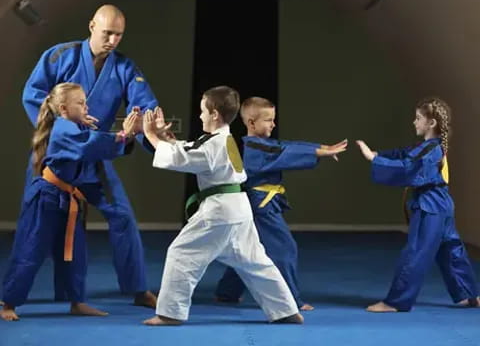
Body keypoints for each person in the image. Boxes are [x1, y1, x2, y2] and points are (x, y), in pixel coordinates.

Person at [141, 86, 336, 325]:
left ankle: (169, 314)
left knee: (181, 254)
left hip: (220, 211)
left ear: (214, 114)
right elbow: (190, 149)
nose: (200, 115)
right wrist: (164, 138)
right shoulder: (223, 139)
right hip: (238, 209)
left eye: (203, 111)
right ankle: (286, 310)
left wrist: (150, 134)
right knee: (255, 261)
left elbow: (181, 157)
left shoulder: (216, 144)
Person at [21, 4, 158, 307]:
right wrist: (63, 132)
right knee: (39, 223)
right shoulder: (61, 55)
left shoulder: (124, 68)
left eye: (118, 35)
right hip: (55, 156)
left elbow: (145, 105)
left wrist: (154, 131)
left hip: (96, 155)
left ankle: (138, 289)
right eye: (107, 32)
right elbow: (33, 95)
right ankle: (18, 297)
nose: (112, 40)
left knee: (122, 216)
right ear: (92, 26)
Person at [1, 83, 139, 321]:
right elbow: (88, 146)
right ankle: (8, 302)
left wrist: (127, 136)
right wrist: (123, 134)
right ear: (63, 108)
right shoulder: (64, 127)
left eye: (85, 102)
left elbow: (91, 144)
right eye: (80, 103)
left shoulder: (72, 127)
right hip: (45, 198)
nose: (86, 106)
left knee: (74, 253)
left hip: (67, 198)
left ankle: (77, 301)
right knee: (30, 248)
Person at [215, 96, 347, 311]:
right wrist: (319, 152)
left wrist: (322, 147)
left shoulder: (263, 145)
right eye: (268, 120)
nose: (273, 124)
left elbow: (286, 145)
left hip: (259, 204)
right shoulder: (255, 149)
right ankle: (290, 300)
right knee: (285, 249)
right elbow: (284, 152)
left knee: (247, 249)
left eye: (273, 119)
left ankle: (227, 292)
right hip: (261, 207)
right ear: (251, 123)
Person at [356, 97, 479, 312]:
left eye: (418, 118)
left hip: (430, 205)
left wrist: (373, 160)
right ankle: (469, 295)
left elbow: (407, 166)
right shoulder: (430, 147)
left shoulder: (430, 150)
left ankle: (396, 302)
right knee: (451, 250)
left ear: (431, 123)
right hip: (443, 205)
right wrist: (378, 155)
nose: (414, 122)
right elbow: (405, 154)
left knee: (415, 251)